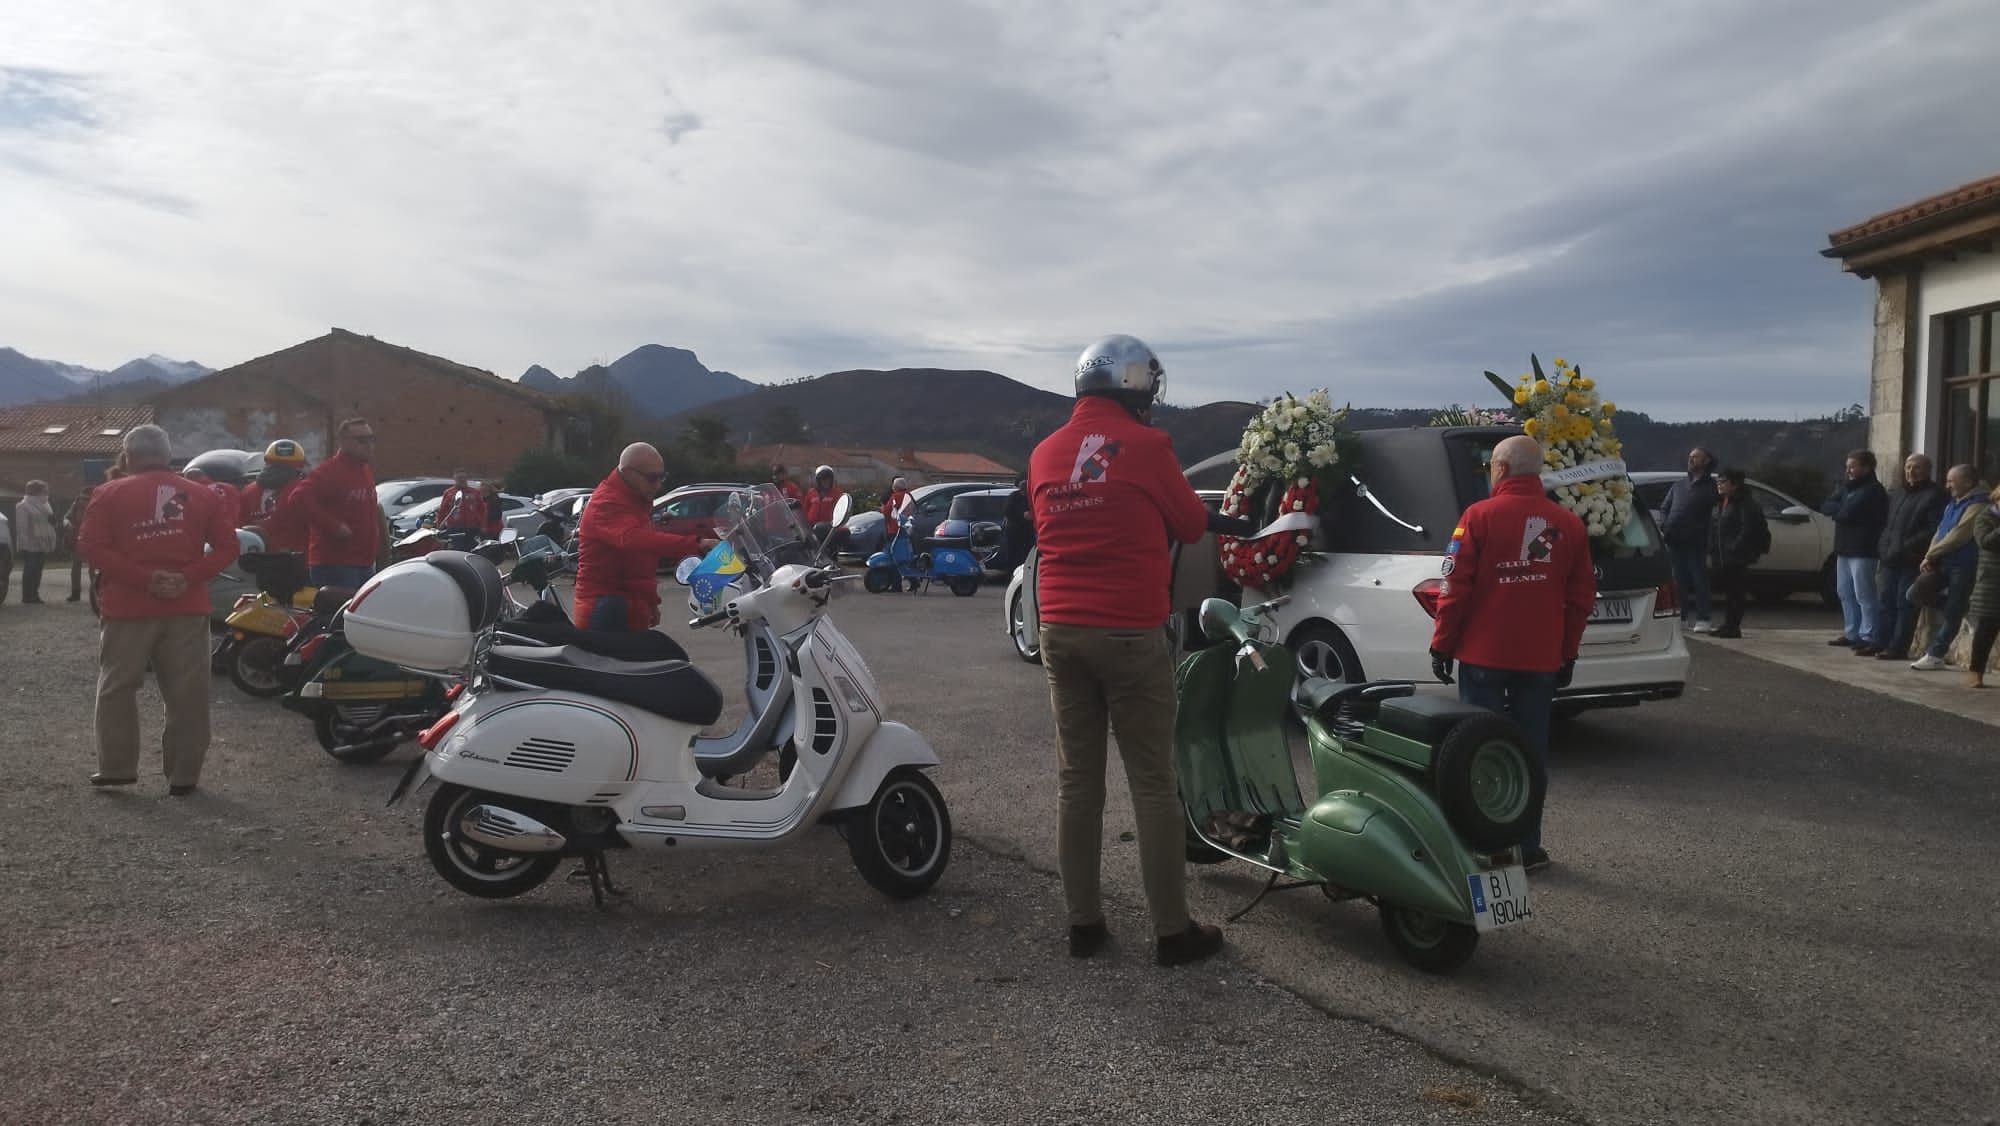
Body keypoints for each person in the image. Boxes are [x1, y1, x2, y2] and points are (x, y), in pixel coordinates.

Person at [1031, 334, 1224, 967]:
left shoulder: (1043, 454)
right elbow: (1193, 525)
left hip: (1060, 627)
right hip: (1128, 630)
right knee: (1152, 783)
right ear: (1139, 387)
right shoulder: (1147, 447)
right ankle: (1172, 931)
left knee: (1076, 782)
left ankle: (1083, 925)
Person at [1430, 435, 1596, 872]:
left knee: (1477, 750)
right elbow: (1580, 598)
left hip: (1484, 657)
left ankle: (1482, 846)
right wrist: (1568, 653)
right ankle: (1527, 847)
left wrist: (1442, 645)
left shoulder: (1478, 518)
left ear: (1500, 470)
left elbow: (1454, 589)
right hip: (1541, 660)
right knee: (1529, 751)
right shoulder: (1568, 524)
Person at [77, 424, 238, 795]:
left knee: (117, 686)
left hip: (127, 607)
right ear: (168, 456)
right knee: (189, 692)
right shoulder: (203, 496)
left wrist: (143, 579)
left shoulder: (107, 493)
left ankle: (116, 767)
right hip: (187, 606)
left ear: (128, 457)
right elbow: (228, 549)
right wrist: (188, 576)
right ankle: (184, 775)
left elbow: (92, 546)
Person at [573, 443, 717, 632]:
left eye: (661, 477)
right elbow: (635, 540)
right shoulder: (606, 503)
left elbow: (638, 563)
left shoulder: (635, 501)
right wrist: (698, 544)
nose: (658, 485)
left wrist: (650, 603)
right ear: (627, 472)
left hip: (627, 605)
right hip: (606, 608)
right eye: (652, 478)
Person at [1911, 464, 1988, 671]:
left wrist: (1933, 554)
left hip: (1963, 565)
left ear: (1968, 482)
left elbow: (1959, 535)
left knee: (1953, 611)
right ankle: (1959, 608)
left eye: (1951, 481)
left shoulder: (1978, 504)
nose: (1947, 486)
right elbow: (1940, 532)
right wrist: (1929, 556)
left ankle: (1935, 654)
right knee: (1914, 593)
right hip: (1943, 562)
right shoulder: (1952, 504)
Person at [1871, 454, 1945, 660]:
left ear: (1928, 470)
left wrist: (1905, 547)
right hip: (1889, 558)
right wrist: (1884, 545)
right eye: (1908, 467)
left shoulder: (1935, 495)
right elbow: (1889, 525)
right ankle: (1880, 642)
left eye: (1917, 468)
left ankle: (1897, 647)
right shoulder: (1899, 493)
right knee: (1885, 601)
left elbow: (1933, 529)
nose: (1911, 471)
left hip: (1911, 560)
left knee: (1904, 605)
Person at [293, 419, 381, 590]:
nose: (369, 445)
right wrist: (334, 526)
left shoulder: (364, 470)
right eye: (362, 440)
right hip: (336, 564)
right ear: (344, 442)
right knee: (341, 616)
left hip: (364, 563)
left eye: (372, 439)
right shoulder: (329, 471)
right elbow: (298, 498)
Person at [1820, 450, 1888, 650]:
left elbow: (1848, 513)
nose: (1848, 470)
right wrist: (1841, 508)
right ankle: (1852, 632)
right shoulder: (1846, 488)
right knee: (1844, 591)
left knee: (1864, 593)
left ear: (1866, 467)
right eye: (1847, 466)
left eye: (1853, 466)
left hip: (1863, 549)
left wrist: (1841, 509)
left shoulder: (1873, 490)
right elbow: (1826, 505)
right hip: (1844, 548)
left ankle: (1868, 634)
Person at [1655, 448, 1718, 633]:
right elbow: (1664, 508)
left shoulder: (1711, 487)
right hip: (1674, 540)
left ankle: (1703, 618)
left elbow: (1714, 515)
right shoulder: (1679, 485)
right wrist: (1665, 525)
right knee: (1677, 581)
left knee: (1699, 580)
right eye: (1689, 456)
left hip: (1696, 541)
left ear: (1706, 461)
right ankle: (1680, 618)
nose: (1690, 459)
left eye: (1695, 456)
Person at [1708, 468, 1770, 639]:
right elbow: (1715, 526)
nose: (1719, 485)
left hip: (1737, 556)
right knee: (1729, 591)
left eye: (1723, 482)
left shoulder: (1746, 503)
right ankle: (1727, 624)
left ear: (1734, 485)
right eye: (1718, 482)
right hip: (1721, 555)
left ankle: (1733, 626)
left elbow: (1748, 529)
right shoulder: (1721, 502)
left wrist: (1735, 547)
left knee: (1736, 591)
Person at [241, 440, 310, 553]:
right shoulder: (304, 489)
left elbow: (240, 525)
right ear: (299, 465)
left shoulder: (248, 490)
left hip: (253, 557)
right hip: (293, 559)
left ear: (267, 462)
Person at [1965, 484, 2000, 688]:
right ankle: (1975, 671)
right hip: (1992, 584)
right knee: (1986, 630)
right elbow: (1985, 542)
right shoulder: (1985, 517)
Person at [14, 480, 59, 605]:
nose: (46, 493)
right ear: (35, 491)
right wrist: (23, 544)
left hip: (43, 542)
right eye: (44, 491)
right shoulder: (23, 506)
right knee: (30, 570)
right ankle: (27, 596)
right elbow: (21, 527)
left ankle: (35, 594)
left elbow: (49, 522)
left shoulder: (46, 504)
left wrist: (53, 521)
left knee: (38, 570)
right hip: (30, 544)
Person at [62, 486, 92, 602]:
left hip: (81, 536)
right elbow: (67, 517)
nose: (83, 501)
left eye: (85, 499)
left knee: (78, 566)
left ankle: (76, 593)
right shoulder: (80, 503)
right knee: (90, 567)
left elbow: (66, 517)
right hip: (82, 536)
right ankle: (94, 592)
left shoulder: (77, 502)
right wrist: (67, 523)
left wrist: (67, 523)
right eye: (83, 499)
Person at [437, 469, 486, 538]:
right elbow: (442, 511)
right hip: (455, 528)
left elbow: (482, 510)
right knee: (457, 548)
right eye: (459, 478)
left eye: (464, 478)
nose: (462, 480)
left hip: (472, 528)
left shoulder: (474, 493)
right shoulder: (449, 493)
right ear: (455, 479)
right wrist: (439, 525)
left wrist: (483, 526)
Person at [1001, 474, 1034, 573]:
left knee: (1027, 555)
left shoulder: (1031, 497)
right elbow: (1007, 511)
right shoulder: (1013, 497)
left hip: (1028, 532)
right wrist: (1022, 515)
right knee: (1013, 556)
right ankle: (1011, 574)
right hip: (1014, 531)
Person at [801, 465, 844, 532]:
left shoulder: (836, 493)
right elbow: (805, 510)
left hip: (829, 529)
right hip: (811, 528)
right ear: (818, 480)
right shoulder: (811, 492)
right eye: (823, 479)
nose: (826, 481)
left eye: (828, 479)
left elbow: (840, 512)